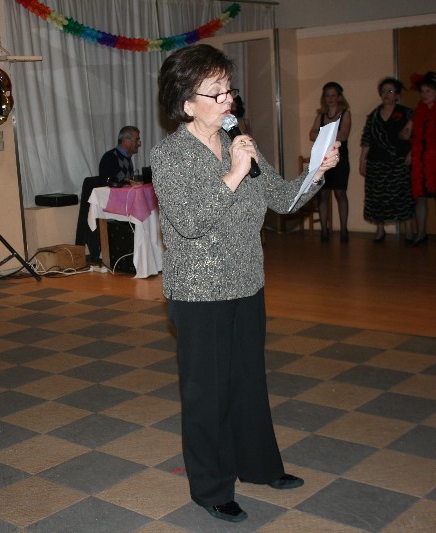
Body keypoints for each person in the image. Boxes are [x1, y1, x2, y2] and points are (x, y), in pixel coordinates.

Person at [151, 43, 339, 524]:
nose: (228, 100)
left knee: (249, 383)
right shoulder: (169, 155)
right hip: (200, 293)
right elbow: (190, 222)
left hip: (247, 282)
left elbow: (283, 199)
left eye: (228, 89)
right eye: (216, 92)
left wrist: (316, 170)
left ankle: (258, 466)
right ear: (187, 104)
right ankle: (211, 488)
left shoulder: (242, 142)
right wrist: (233, 174)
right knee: (207, 394)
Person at [75, 126, 141, 262]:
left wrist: (132, 183)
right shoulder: (110, 157)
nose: (139, 143)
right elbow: (108, 183)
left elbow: (124, 180)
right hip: (111, 206)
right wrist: (129, 183)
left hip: (123, 204)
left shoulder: (127, 158)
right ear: (126, 140)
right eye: (136, 140)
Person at [359, 77, 414, 242]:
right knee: (377, 197)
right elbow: (367, 139)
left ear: (397, 95)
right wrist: (362, 161)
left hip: (399, 162)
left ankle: (409, 231)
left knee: (403, 196)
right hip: (376, 162)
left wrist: (411, 153)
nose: (386, 94)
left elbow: (416, 136)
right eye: (383, 91)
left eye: (390, 91)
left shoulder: (406, 113)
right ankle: (380, 230)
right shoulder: (374, 115)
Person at [407, 71, 436, 249]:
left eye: (428, 91)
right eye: (422, 91)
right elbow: (413, 136)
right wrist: (410, 152)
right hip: (421, 160)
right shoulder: (418, 112)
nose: (424, 95)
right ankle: (421, 233)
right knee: (420, 198)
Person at [309, 81, 351, 243]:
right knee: (323, 195)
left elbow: (343, 135)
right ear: (324, 98)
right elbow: (311, 135)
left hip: (340, 158)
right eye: (327, 95)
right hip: (322, 159)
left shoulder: (345, 114)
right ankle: (324, 231)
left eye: (333, 95)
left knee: (340, 193)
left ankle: (344, 230)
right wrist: (329, 135)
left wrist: (323, 134)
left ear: (339, 97)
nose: (330, 98)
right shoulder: (320, 115)